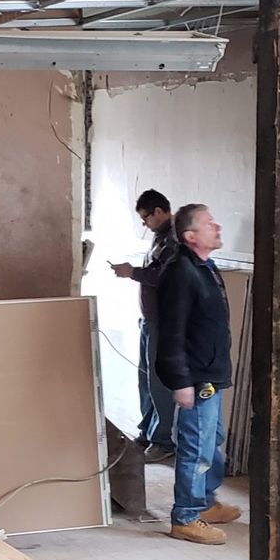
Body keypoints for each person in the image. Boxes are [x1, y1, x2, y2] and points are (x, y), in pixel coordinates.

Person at [154, 203, 242, 545]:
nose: (217, 227)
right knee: (197, 447)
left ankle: (204, 502)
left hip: (211, 372)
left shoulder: (205, 267)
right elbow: (171, 332)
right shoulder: (181, 273)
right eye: (209, 223)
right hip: (196, 377)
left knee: (211, 439)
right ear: (191, 236)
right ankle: (186, 517)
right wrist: (181, 381)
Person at [111, 189, 179, 461]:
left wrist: (133, 273)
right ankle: (147, 433)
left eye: (146, 218)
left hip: (164, 321)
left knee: (159, 382)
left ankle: (162, 441)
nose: (145, 224)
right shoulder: (160, 237)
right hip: (150, 320)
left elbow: (165, 277)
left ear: (159, 212)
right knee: (146, 380)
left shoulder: (175, 239)